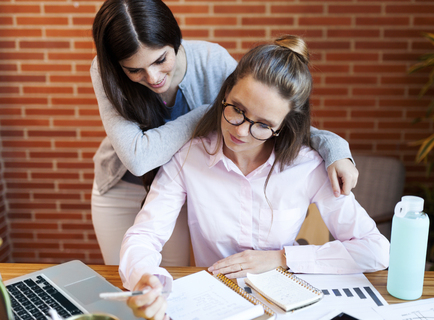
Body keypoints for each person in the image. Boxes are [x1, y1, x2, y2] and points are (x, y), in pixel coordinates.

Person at [119, 35, 390, 320]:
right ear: (225, 92)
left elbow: (375, 251)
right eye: (237, 109)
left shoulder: (307, 166)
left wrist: (281, 258)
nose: (241, 132)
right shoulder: (189, 157)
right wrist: (144, 278)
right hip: (213, 304)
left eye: (263, 125)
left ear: (284, 126)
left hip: (288, 304)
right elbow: (144, 236)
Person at [90, 0, 359, 266]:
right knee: (123, 275)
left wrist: (335, 149)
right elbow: (138, 160)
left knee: (170, 276)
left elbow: (271, 113)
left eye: (161, 60)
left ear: (175, 40)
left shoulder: (211, 60)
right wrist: (210, 112)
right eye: (134, 70)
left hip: (182, 182)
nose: (153, 77)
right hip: (123, 184)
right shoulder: (105, 72)